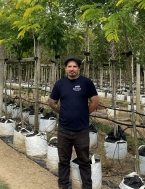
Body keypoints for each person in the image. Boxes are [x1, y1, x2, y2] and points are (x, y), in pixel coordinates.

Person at [49, 55, 99, 189]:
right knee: (63, 161)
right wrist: (63, 112)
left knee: (84, 160)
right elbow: (52, 102)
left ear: (79, 68)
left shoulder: (86, 82)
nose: (72, 69)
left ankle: (87, 187)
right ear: (65, 69)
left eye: (75, 66)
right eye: (69, 66)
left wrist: (84, 113)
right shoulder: (60, 84)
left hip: (81, 130)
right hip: (64, 129)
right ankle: (63, 186)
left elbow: (95, 101)